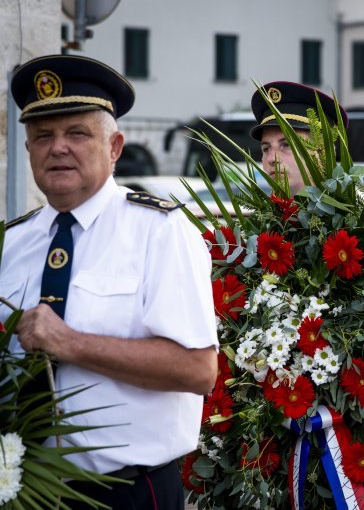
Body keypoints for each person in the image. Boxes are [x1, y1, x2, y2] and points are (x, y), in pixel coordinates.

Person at [3, 55, 218, 509]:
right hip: (24, 488)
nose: (58, 148)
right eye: (43, 136)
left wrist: (70, 342)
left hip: (127, 492)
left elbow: (198, 370)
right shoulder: (12, 242)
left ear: (115, 147)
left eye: (77, 133)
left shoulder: (160, 232)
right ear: (28, 151)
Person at [249, 81, 347, 195]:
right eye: (266, 149)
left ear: (324, 153)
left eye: (286, 145)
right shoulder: (259, 212)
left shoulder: (359, 212)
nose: (271, 159)